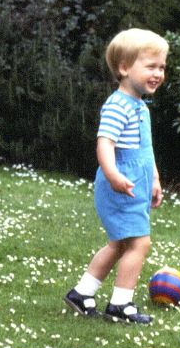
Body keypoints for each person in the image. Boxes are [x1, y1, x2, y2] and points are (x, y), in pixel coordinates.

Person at [64, 28, 169, 324]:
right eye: (150, 66)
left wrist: (155, 180)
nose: (158, 73)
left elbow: (145, 150)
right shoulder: (118, 106)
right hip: (120, 185)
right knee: (139, 243)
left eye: (161, 67)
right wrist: (113, 176)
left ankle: (82, 293)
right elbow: (105, 143)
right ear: (124, 68)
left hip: (135, 184)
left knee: (119, 243)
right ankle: (121, 303)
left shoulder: (140, 107)